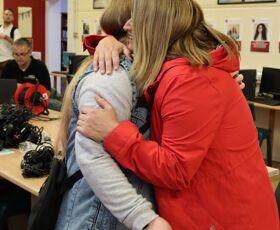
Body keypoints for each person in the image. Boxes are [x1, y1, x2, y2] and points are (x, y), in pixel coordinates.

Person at [77, 0, 280, 229]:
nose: (127, 27)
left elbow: (176, 170)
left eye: (136, 18)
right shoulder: (186, 72)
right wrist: (108, 42)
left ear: (155, 26)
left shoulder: (189, 79)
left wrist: (114, 133)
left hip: (225, 217)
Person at [54, 0, 171, 229]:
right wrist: (145, 219)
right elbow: (93, 156)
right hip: (95, 217)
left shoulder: (134, 71)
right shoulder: (112, 74)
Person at [0, 9, 21, 78]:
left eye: (10, 15)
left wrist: (7, 37)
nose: (8, 16)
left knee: (5, 83)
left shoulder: (15, 30)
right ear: (3, 16)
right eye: (6, 14)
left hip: (8, 60)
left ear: (13, 18)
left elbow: (18, 45)